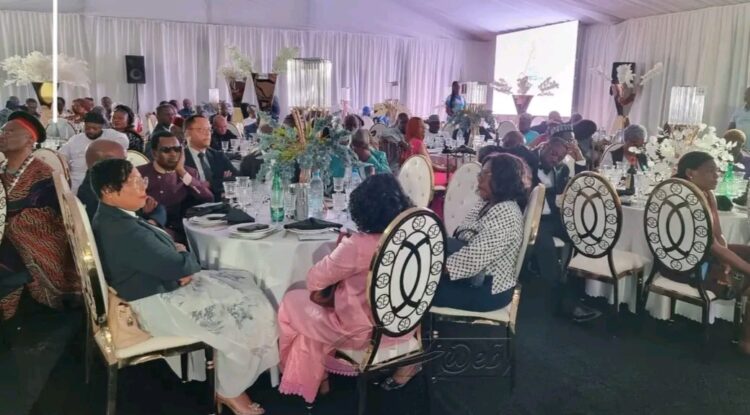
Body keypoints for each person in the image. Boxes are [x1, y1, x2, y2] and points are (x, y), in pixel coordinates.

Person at [90, 159, 277, 414]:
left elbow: (170, 260)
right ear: (109, 191)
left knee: (245, 284)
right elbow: (179, 266)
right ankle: (229, 389)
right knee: (248, 309)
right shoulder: (122, 230)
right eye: (134, 182)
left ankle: (237, 368)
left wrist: (179, 260)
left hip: (155, 287)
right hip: (154, 304)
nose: (143, 186)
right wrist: (183, 257)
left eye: (141, 179)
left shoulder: (112, 217)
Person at [277, 173, 414, 404]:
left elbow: (314, 281)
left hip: (360, 333)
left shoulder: (357, 245)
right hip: (403, 324)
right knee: (311, 315)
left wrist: (339, 252)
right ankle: (316, 377)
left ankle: (308, 378)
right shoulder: (411, 235)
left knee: (293, 300)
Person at [0, 111, 79, 320]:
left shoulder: (43, 174)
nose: (2, 135)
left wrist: (8, 224)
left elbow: (49, 219)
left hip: (31, 243)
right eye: (2, 131)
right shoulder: (2, 170)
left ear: (29, 140)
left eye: (10, 131)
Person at [670, 152, 750, 353]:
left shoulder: (708, 194)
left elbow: (718, 235)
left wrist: (727, 261)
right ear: (690, 173)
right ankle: (746, 340)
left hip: (706, 254)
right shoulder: (687, 198)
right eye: (710, 171)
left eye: (717, 171)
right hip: (687, 264)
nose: (717, 175)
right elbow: (712, 246)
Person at [434, 153, 528, 311]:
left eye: (485, 174)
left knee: (418, 288)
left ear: (502, 178)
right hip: (474, 277)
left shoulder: (506, 211)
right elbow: (462, 233)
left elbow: (474, 258)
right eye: (480, 174)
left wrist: (433, 267)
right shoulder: (488, 203)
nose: (479, 179)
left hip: (488, 289)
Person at [531, 137, 600, 322]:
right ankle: (565, 304)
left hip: (553, 219)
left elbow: (580, 185)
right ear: (545, 146)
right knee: (547, 251)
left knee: (584, 237)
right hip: (532, 220)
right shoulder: (529, 160)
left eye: (560, 157)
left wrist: (580, 159)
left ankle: (579, 289)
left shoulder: (561, 169)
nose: (555, 159)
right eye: (553, 154)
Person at [138, 131, 213, 240]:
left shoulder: (188, 173)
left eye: (177, 149)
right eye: (166, 150)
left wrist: (181, 171)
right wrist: (143, 211)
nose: (173, 154)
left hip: (181, 232)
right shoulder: (139, 173)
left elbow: (208, 198)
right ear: (154, 153)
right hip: (150, 232)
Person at [78, 139, 166, 227]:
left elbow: (155, 207)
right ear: (104, 164)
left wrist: (151, 218)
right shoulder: (93, 196)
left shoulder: (120, 181)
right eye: (122, 161)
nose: (128, 165)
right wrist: (151, 223)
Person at [59, 111, 129, 192]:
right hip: (76, 181)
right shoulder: (75, 139)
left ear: (101, 127)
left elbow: (123, 144)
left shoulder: (113, 136)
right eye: (87, 128)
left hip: (101, 181)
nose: (91, 131)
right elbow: (61, 156)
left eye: (95, 128)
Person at [183, 115, 238, 200]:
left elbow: (238, 178)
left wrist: (210, 184)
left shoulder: (218, 156)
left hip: (220, 203)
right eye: (201, 129)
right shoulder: (179, 159)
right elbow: (185, 188)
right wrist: (222, 180)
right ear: (187, 133)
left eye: (209, 129)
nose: (207, 133)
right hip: (192, 206)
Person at [402, 117, 448, 186]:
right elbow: (430, 165)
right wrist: (445, 169)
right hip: (423, 178)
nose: (424, 129)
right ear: (415, 128)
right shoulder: (418, 143)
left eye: (424, 127)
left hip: (412, 177)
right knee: (452, 176)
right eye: (421, 127)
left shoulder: (410, 141)